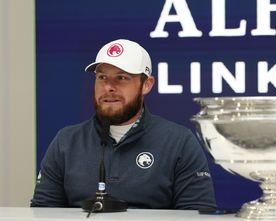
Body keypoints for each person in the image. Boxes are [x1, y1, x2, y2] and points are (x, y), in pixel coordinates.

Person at [31, 39, 217, 210]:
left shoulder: (178, 142)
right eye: (102, 77)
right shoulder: (66, 141)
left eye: (121, 78)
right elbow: (42, 212)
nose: (109, 87)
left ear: (146, 85)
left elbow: (197, 215)